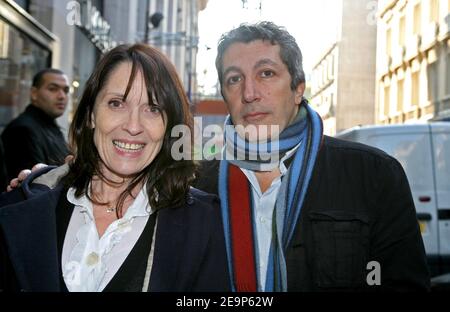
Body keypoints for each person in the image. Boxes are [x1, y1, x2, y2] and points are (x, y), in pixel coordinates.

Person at [5, 22, 430, 292]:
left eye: (266, 73)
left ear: (298, 87)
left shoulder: (372, 174)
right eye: (234, 78)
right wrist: (45, 182)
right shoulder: (195, 184)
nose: (249, 92)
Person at [0, 44, 229, 292]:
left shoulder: (204, 227)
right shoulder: (24, 207)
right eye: (116, 103)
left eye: (153, 109)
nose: (133, 126)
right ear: (90, 114)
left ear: (169, 127)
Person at [1, 69, 70, 181]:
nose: (62, 96)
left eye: (66, 90)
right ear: (34, 94)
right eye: (53, 89)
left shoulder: (50, 127)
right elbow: (34, 184)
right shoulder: (22, 130)